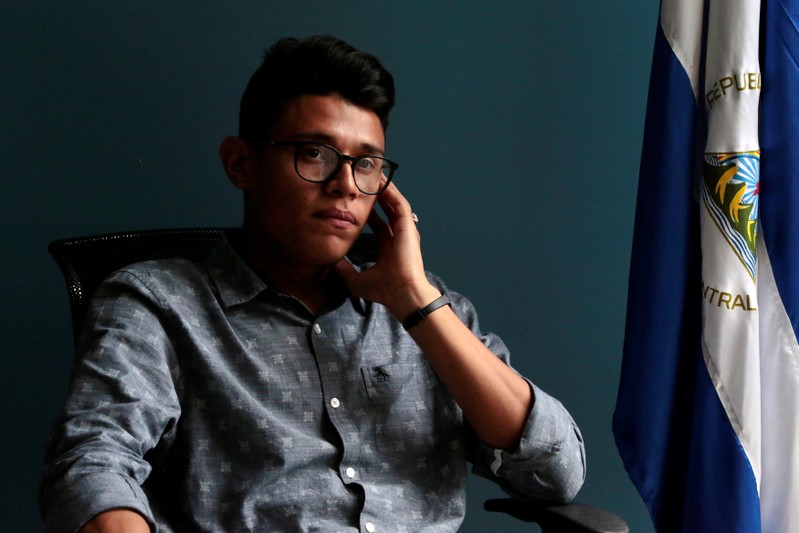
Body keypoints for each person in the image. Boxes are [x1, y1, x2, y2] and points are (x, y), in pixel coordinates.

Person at [39, 35, 585, 532]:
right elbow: (92, 462)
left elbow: (556, 474)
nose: (346, 185)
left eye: (368, 164)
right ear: (241, 163)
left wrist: (416, 302)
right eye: (315, 154)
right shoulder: (157, 304)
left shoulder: (432, 313)